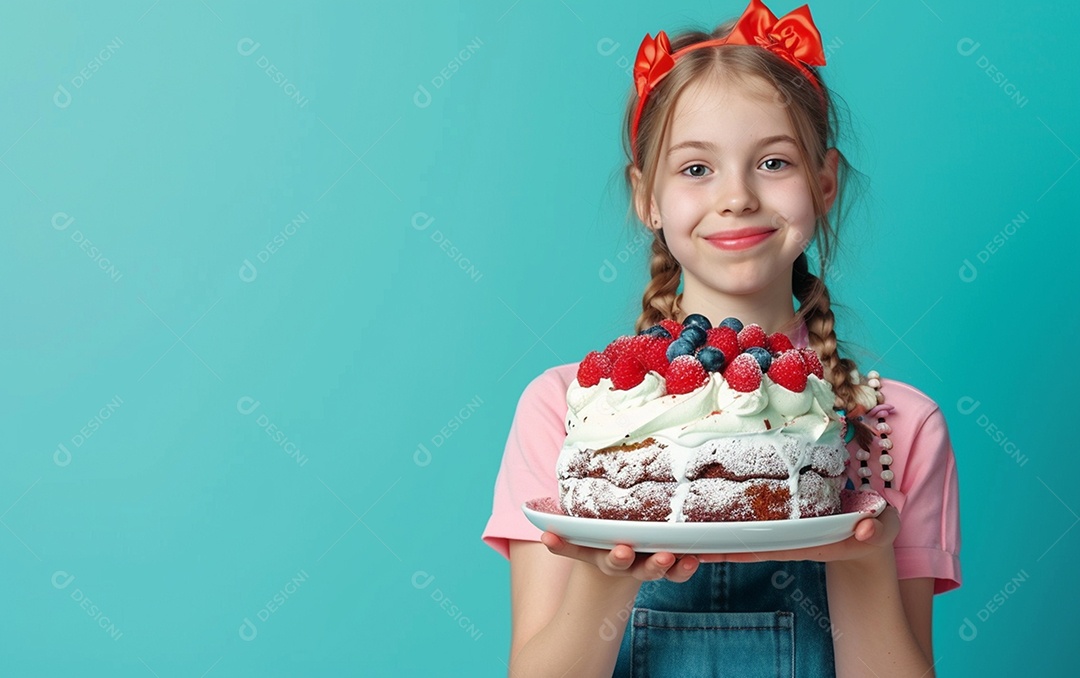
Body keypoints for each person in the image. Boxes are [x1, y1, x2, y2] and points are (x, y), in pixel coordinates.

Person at [481, 1, 961, 675]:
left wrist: (865, 558)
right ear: (646, 195)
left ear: (824, 183)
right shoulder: (569, 409)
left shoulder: (896, 431)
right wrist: (607, 574)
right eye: (696, 168)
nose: (736, 196)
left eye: (773, 162)